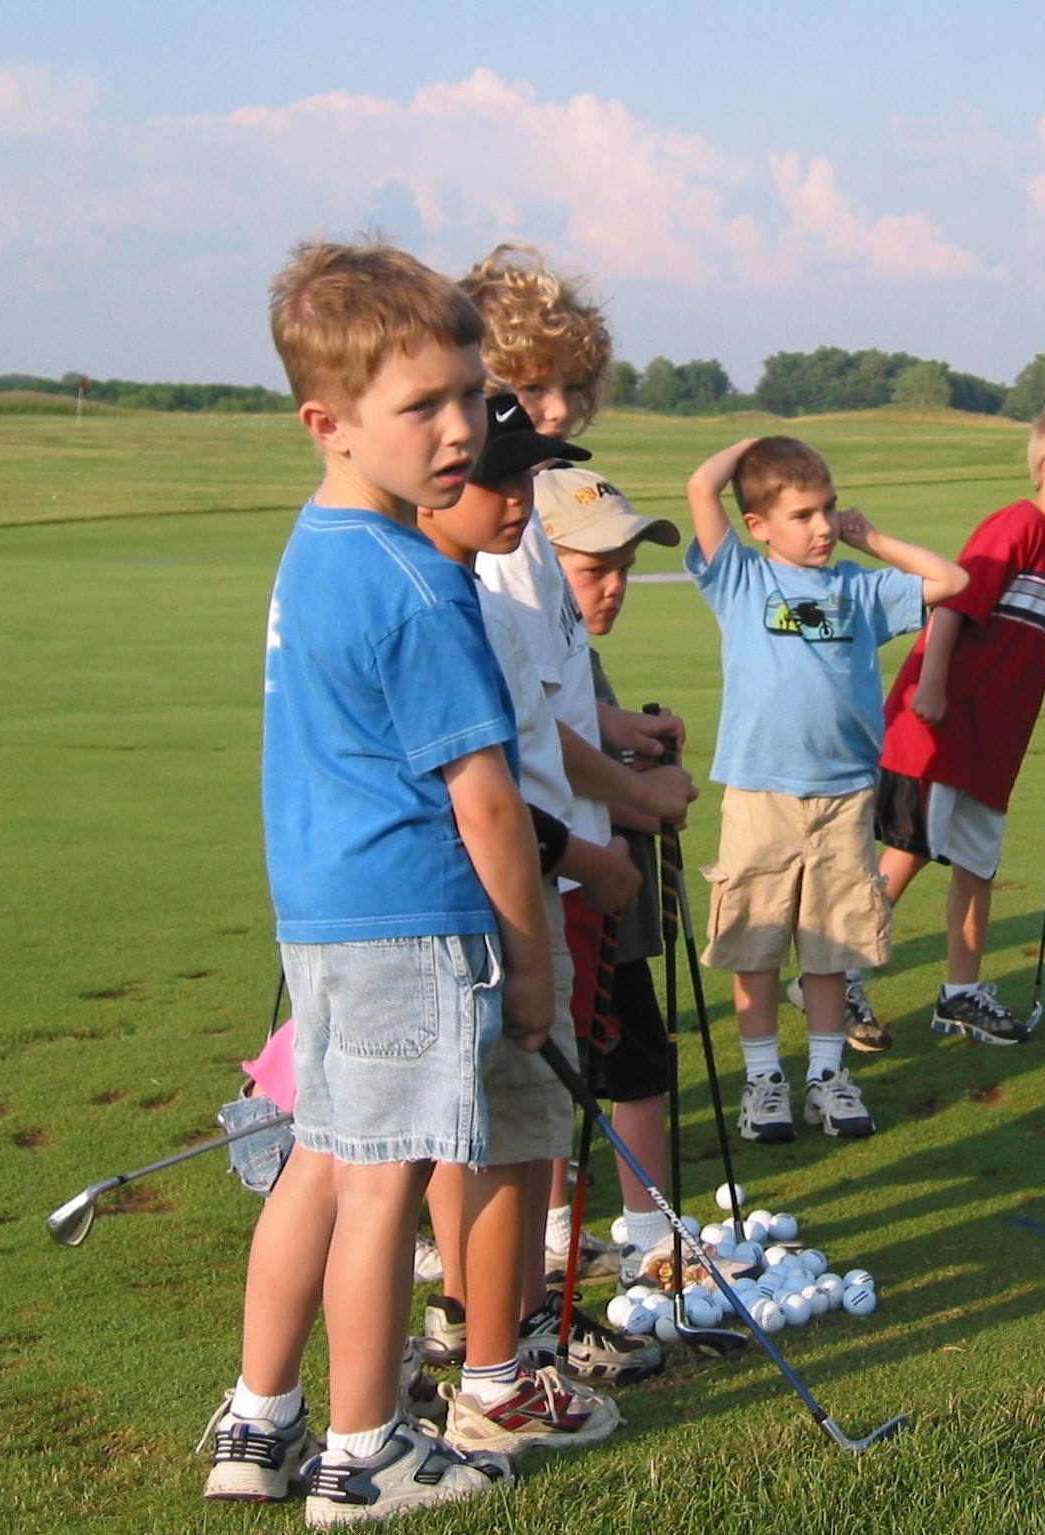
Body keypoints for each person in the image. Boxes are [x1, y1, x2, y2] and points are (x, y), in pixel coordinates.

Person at [201, 236, 535, 1523]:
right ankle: (365, 1451)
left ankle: (262, 1416)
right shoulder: (416, 577)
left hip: (324, 919)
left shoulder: (317, 545)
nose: (461, 430)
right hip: (407, 918)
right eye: (422, 408)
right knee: (386, 1182)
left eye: (468, 393)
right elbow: (486, 798)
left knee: (327, 1163)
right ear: (327, 423)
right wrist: (535, 954)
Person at [457, 244, 694, 1382]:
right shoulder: (496, 535)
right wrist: (633, 795)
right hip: (529, 867)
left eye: (567, 394)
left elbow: (564, 699)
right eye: (527, 387)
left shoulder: (541, 527)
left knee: (541, 1118)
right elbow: (513, 733)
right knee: (506, 1122)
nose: (552, 414)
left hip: (567, 854)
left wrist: (627, 746)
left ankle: (536, 1315)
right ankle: (491, 1338)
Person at [413, 400, 633, 1461]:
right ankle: (487, 1375)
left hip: (493, 893)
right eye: (506, 478)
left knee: (493, 1139)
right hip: (484, 903)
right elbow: (491, 799)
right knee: (483, 1143)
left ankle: (478, 1353)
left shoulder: (480, 597)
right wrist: (590, 862)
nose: (521, 502)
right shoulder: (449, 602)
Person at [684, 436, 966, 1141]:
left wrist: (869, 538)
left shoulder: (858, 589)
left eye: (828, 509)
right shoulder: (742, 581)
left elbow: (951, 580)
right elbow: (700, 487)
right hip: (761, 792)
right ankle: (762, 1080)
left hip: (843, 796)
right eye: (803, 513)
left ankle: (827, 1076)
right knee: (754, 942)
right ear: (759, 525)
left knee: (832, 948)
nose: (820, 526)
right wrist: (751, 446)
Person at [872, 405, 1045, 1048]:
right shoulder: (1019, 525)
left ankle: (960, 995)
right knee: (910, 849)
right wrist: (928, 686)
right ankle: (835, 972)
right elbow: (955, 602)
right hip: (941, 728)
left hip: (988, 742)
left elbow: (1008, 628)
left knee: (976, 864)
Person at [537, 467, 692, 1278]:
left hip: (596, 884)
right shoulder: (527, 633)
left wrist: (639, 748)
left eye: (626, 568)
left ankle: (583, 1231)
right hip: (566, 889)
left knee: (607, 1059)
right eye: (596, 568)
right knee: (583, 1066)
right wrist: (649, 798)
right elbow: (542, 772)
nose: (617, 586)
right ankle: (636, 1235)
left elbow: (585, 745)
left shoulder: (570, 647)